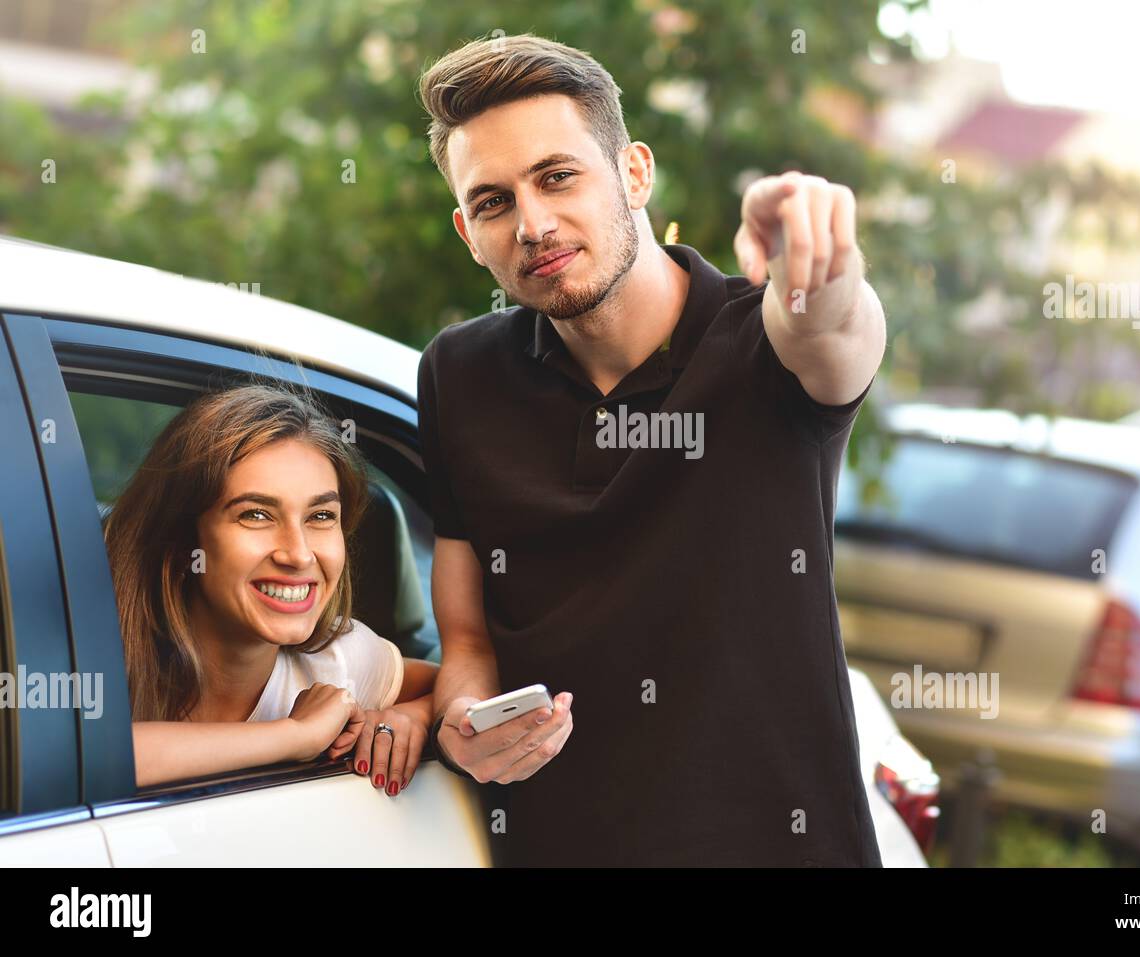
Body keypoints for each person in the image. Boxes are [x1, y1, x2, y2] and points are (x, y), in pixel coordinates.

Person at [416, 33, 887, 866]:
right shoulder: (460, 374)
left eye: (558, 176)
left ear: (634, 173)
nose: (533, 223)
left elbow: (833, 323)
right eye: (492, 202)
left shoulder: (763, 344)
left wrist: (814, 258)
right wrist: (462, 728)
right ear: (467, 232)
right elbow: (469, 647)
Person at [105, 382, 439, 793]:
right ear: (181, 538)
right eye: (257, 514)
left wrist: (412, 718)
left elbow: (463, 685)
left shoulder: (339, 659)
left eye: (320, 516)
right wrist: (295, 735)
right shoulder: (94, 653)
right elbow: (82, 760)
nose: (298, 555)